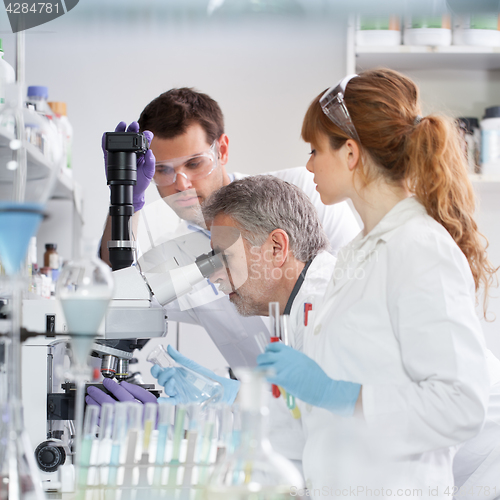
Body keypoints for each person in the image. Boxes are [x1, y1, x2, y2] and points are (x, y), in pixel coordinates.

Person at [253, 69, 497, 495]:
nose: (308, 164)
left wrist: (339, 394)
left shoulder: (420, 248)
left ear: (350, 152)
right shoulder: (359, 252)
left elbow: (460, 405)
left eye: (315, 149)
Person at [99, 88, 360, 369]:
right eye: (163, 170)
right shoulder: (169, 247)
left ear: (221, 149)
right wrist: (125, 198)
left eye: (195, 163)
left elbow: (357, 289)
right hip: (263, 401)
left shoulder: (300, 193)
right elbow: (119, 292)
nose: (181, 184)